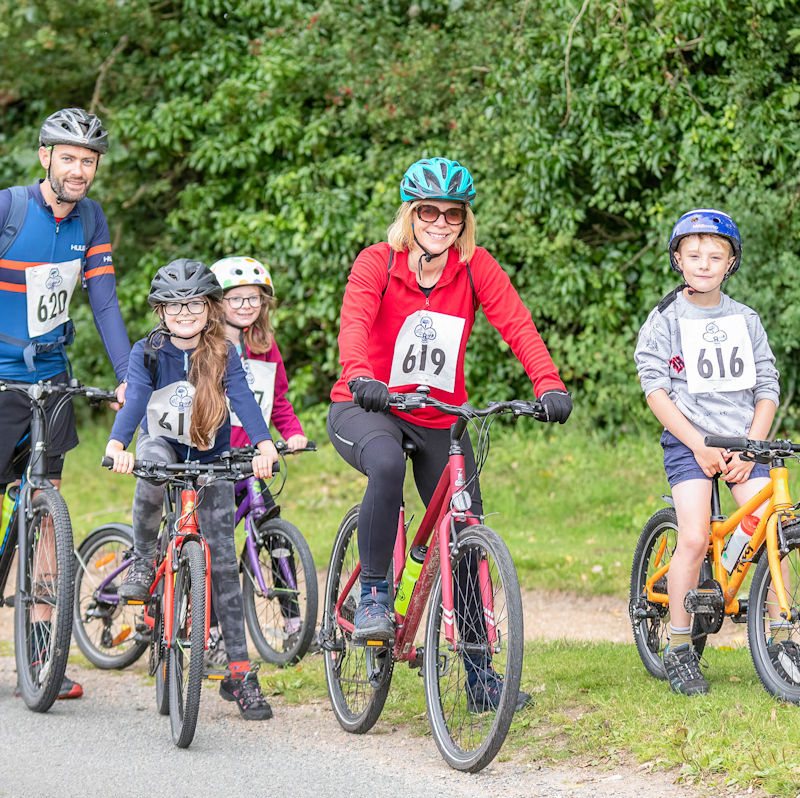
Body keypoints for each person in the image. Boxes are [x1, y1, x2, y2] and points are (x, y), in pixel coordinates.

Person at [327, 156, 572, 711]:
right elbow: (355, 323)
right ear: (410, 214)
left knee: (465, 530)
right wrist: (360, 375)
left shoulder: (475, 265)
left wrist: (548, 382)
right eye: (429, 212)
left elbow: (517, 323)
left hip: (439, 414)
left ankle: (481, 675)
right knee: (386, 465)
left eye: (453, 214)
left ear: (464, 220)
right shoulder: (377, 263)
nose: (441, 223)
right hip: (369, 407)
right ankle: (372, 593)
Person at [105, 258, 278, 720]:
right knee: (151, 465)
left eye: (195, 305)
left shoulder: (224, 351)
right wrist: (118, 443)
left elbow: (242, 397)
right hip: (163, 448)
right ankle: (143, 561)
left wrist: (263, 444)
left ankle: (240, 673)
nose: (185, 314)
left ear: (210, 308)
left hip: (211, 457)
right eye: (174, 306)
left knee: (223, 562)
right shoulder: (147, 352)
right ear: (160, 311)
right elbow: (137, 398)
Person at [0, 107, 129, 701]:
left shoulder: (92, 218)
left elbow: (102, 302)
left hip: (52, 378)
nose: (79, 170)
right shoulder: (9, 209)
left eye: (89, 161)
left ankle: (44, 649)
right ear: (46, 156)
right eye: (69, 157)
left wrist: (129, 378)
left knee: (47, 511)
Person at [634, 208, 789, 695]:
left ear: (731, 263)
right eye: (694, 254)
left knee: (774, 532)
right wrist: (698, 443)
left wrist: (755, 444)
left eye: (715, 256)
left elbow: (767, 386)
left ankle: (784, 638)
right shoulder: (665, 319)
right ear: (678, 259)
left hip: (744, 442)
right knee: (696, 537)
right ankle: (679, 645)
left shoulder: (746, 319)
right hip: (690, 441)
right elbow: (656, 390)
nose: (704, 263)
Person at [205, 255, 308, 662]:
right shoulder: (205, 344)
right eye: (237, 298)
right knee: (215, 545)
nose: (247, 306)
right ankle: (209, 632)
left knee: (272, 530)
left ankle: (294, 623)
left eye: (255, 298)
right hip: (212, 458)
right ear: (217, 302)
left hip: (252, 459)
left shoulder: (264, 347)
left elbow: (277, 399)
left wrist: (294, 432)